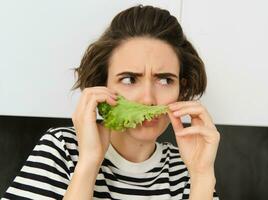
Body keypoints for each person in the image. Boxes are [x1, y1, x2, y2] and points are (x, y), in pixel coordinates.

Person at [2, 4, 220, 200]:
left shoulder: (188, 166)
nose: (148, 98)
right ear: (101, 85)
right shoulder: (63, 148)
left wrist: (202, 176)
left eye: (165, 80)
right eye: (129, 79)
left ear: (181, 89)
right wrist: (89, 162)